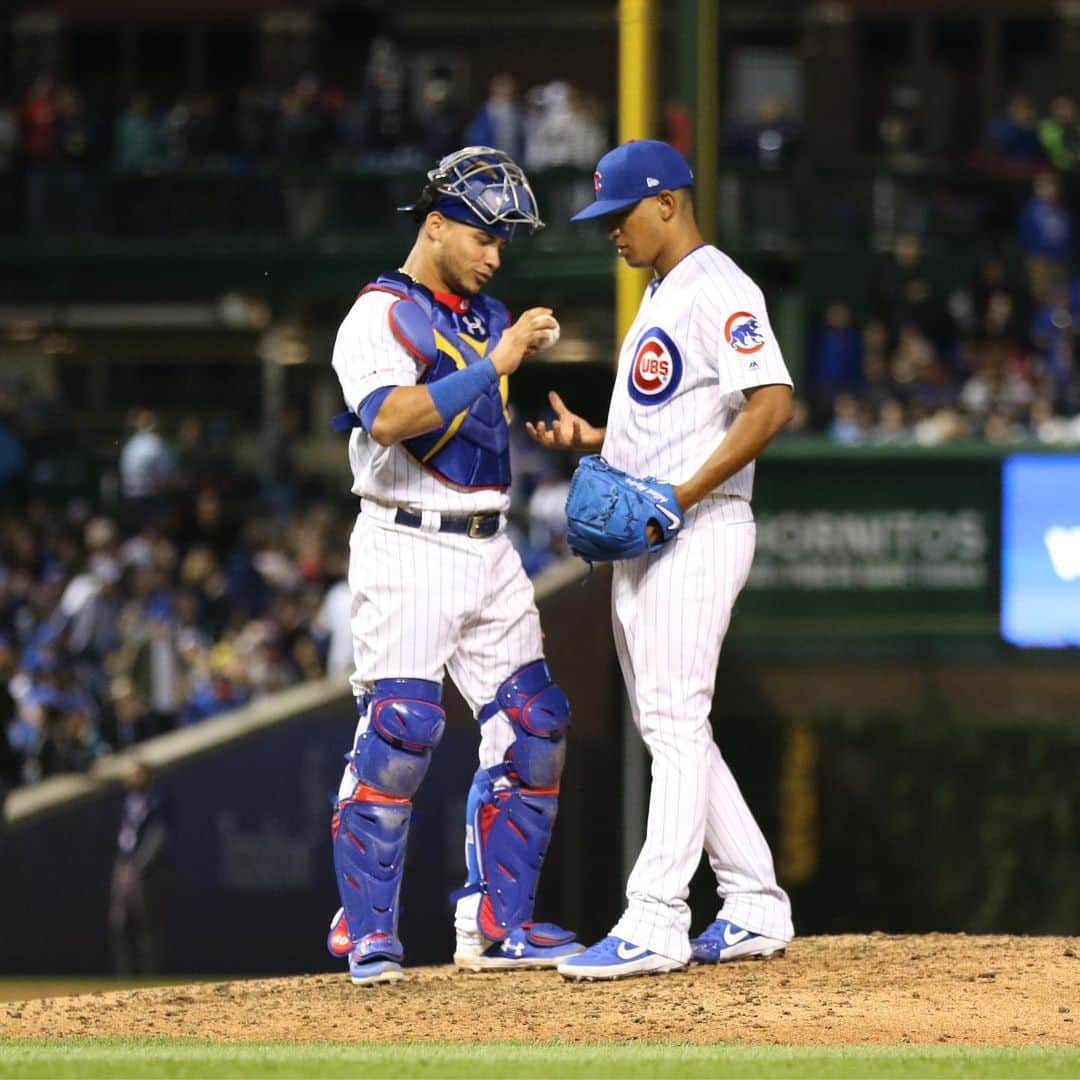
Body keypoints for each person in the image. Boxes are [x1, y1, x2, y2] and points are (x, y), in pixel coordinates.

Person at [526, 139, 795, 979]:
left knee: (674, 719)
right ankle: (753, 903)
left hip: (700, 526)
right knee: (674, 725)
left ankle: (655, 918)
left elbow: (771, 402)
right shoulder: (660, 291)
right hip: (655, 535)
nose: (610, 229)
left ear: (669, 203)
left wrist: (677, 494)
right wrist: (602, 439)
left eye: (620, 213)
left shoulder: (719, 286)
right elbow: (683, 413)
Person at [325, 145, 582, 985]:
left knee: (535, 723)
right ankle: (367, 933)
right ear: (434, 225)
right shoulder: (379, 312)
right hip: (404, 541)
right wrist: (498, 362)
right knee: (401, 730)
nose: (495, 254)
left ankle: (496, 925)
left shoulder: (483, 315)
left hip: (488, 544)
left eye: (503, 242)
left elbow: (472, 432)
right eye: (483, 236)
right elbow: (390, 417)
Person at [107, 759, 171, 973]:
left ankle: (150, 975)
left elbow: (158, 835)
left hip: (144, 871)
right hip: (123, 866)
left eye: (136, 773)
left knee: (146, 925)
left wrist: (142, 863)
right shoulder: (127, 800)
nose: (131, 777)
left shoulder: (156, 800)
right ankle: (124, 975)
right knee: (119, 922)